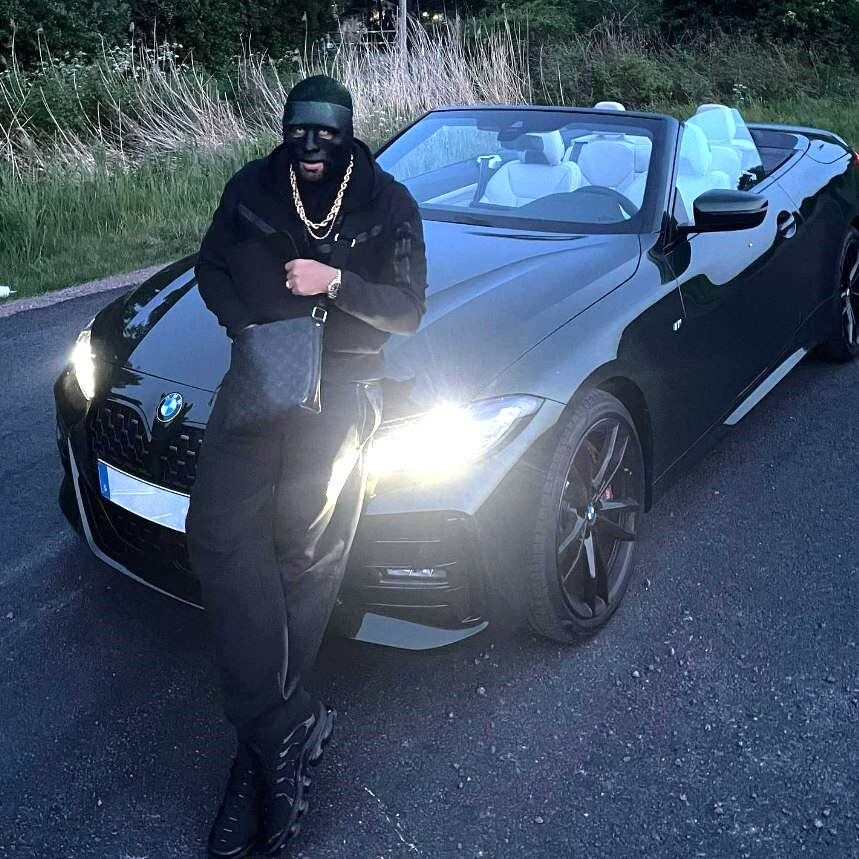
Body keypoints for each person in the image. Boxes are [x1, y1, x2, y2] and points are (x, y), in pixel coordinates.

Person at [184, 75, 428, 857]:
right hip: (259, 381)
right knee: (218, 537)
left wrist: (336, 283)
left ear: (348, 132)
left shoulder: (386, 200)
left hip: (343, 393)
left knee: (303, 552)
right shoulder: (252, 185)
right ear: (286, 129)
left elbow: (408, 308)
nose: (312, 147)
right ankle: (285, 726)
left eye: (327, 134)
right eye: (299, 133)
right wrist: (252, 326)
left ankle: (257, 758)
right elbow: (211, 264)